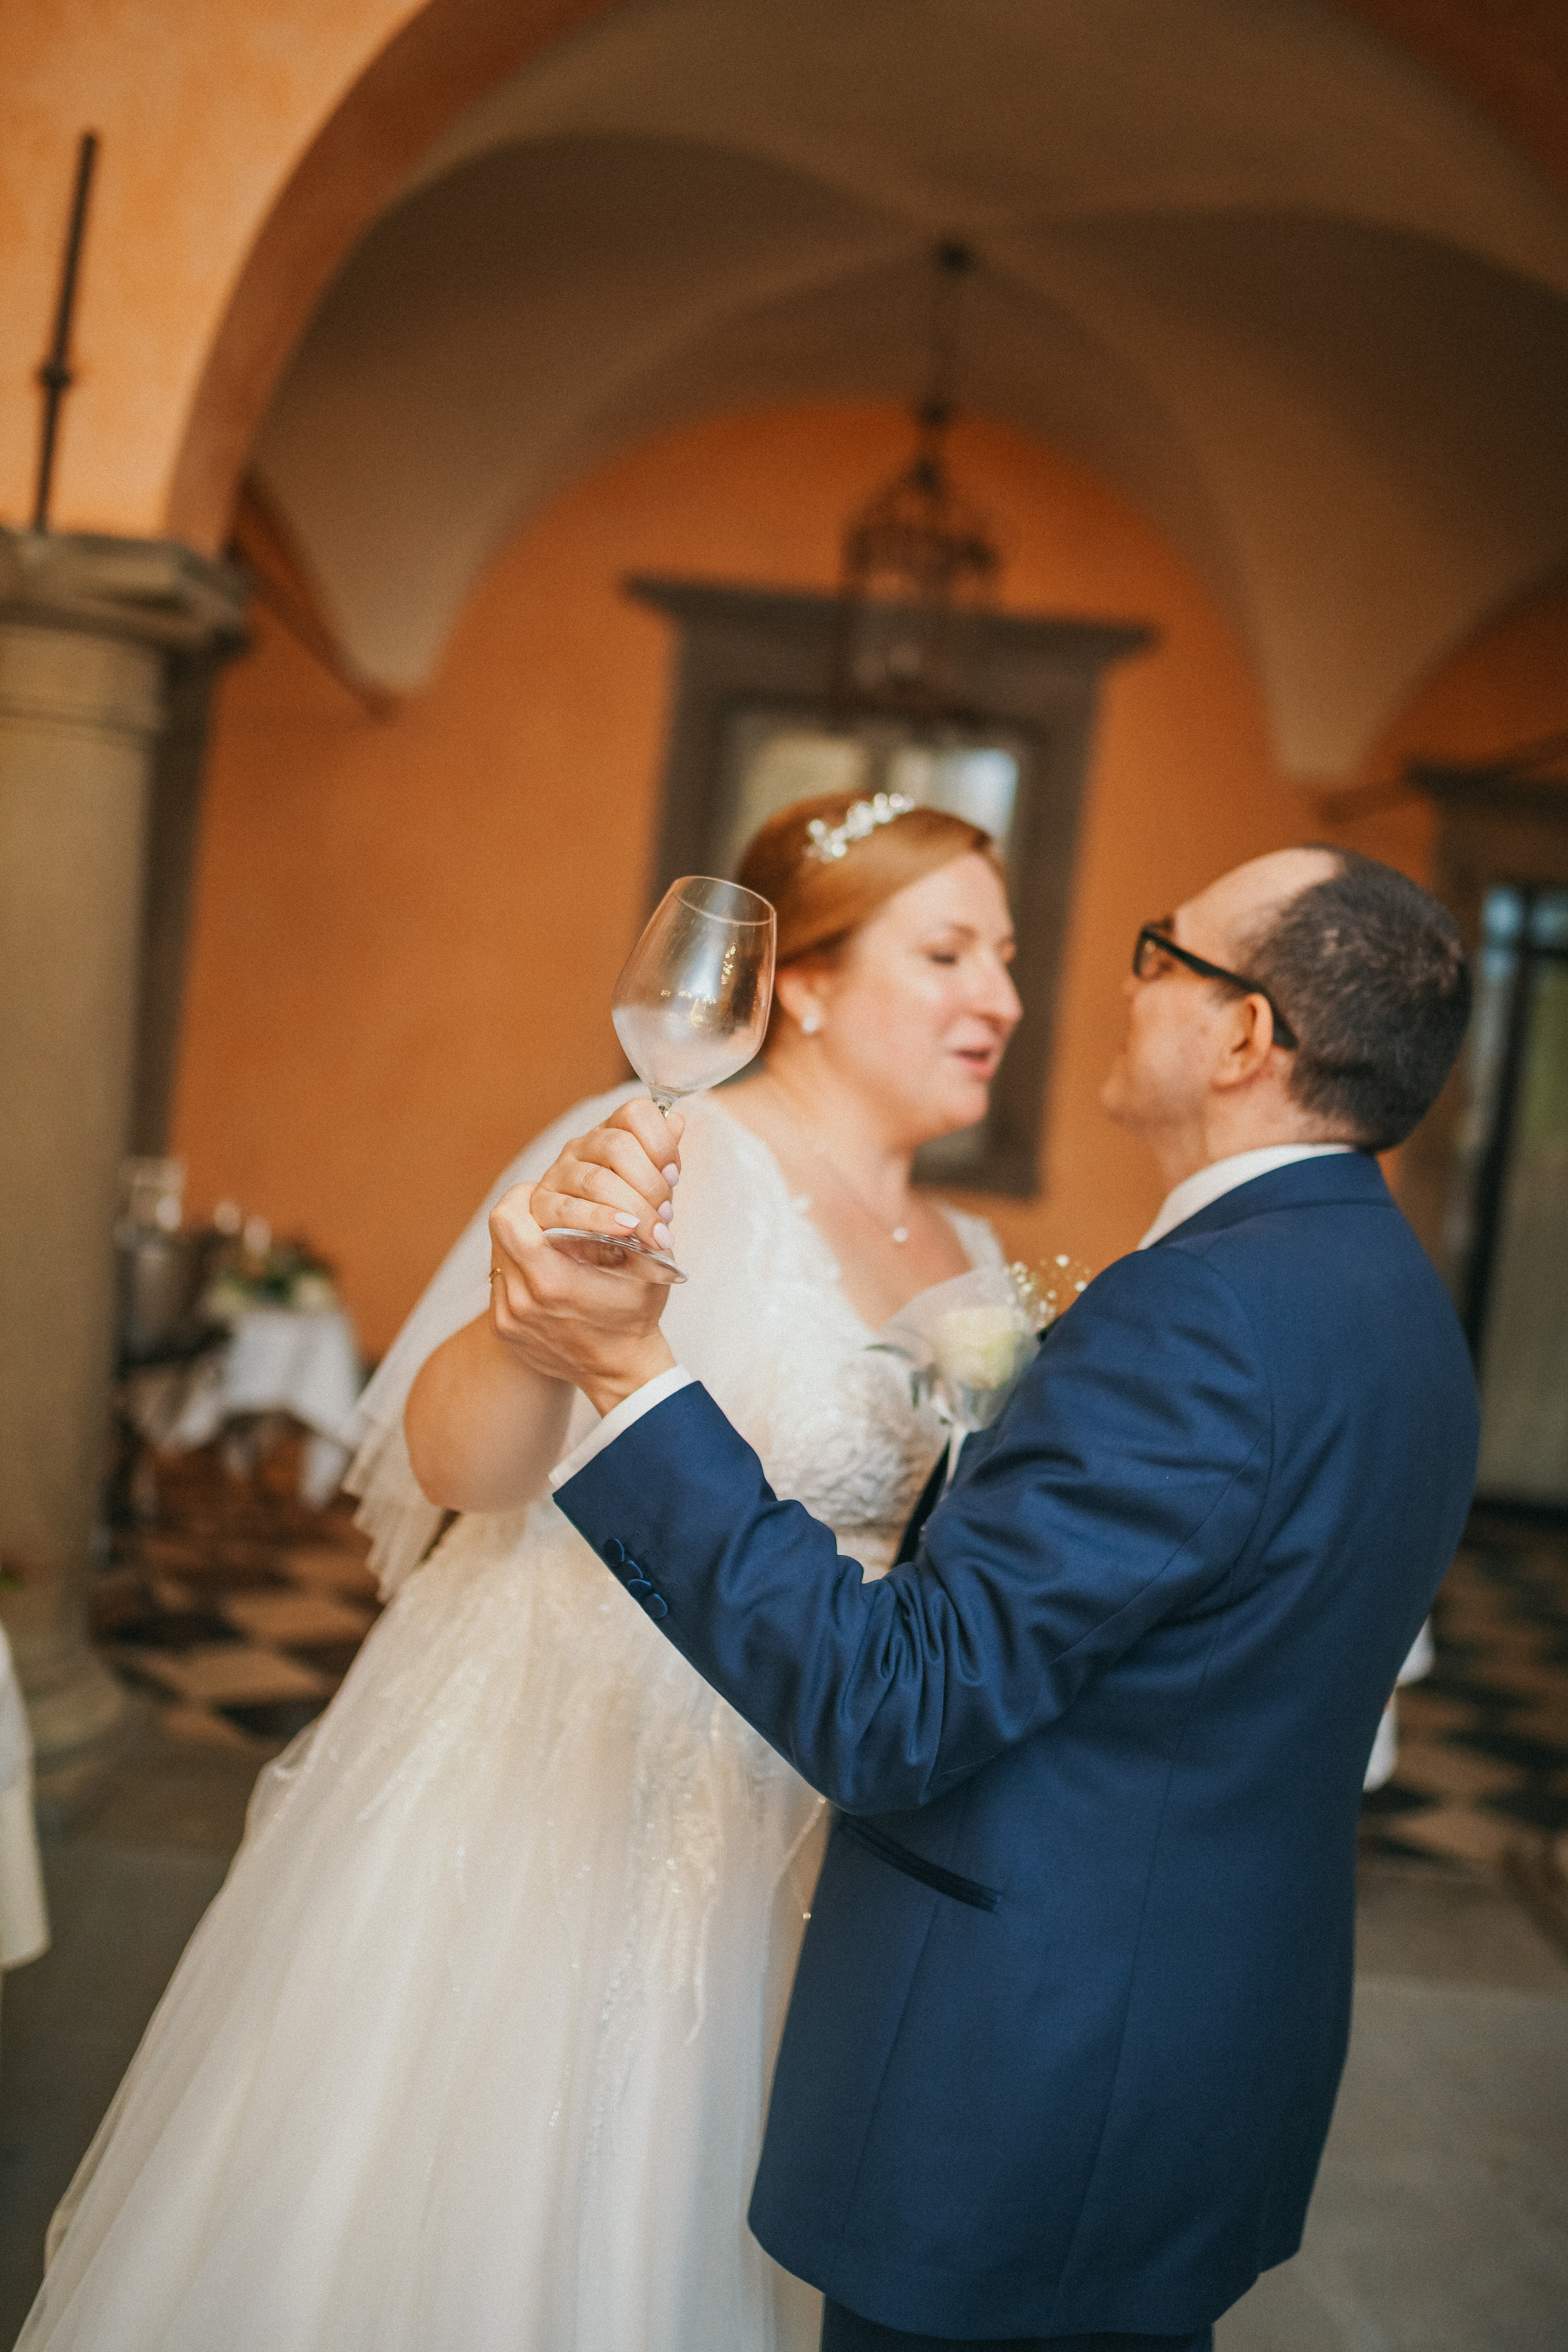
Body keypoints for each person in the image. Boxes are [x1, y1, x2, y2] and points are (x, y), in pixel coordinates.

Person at [19, 795, 1020, 2352]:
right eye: (949, 951)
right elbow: (458, 1469)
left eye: (1007, 958)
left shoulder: (967, 1253)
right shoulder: (662, 1151)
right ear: (798, 980)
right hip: (557, 1768)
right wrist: (536, 1326)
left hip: (799, 1799)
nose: (998, 1000)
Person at [481, 845, 1480, 2352]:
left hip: (1027, 2089)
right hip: (1188, 2049)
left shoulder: (1202, 1308)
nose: (1114, 987)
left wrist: (625, 1376)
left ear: (1238, 1038)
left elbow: (898, 1707)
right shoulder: (1392, 1303)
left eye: (1163, 953)